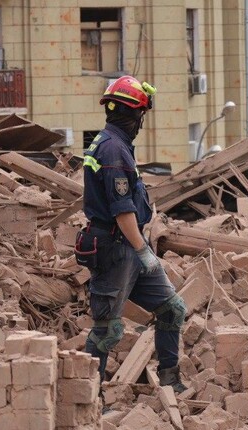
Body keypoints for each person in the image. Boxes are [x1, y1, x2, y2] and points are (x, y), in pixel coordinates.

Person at [81, 76, 186, 393]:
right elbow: (122, 210)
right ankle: (87, 397)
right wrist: (144, 252)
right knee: (108, 330)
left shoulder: (115, 145)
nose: (142, 123)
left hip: (129, 246)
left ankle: (170, 380)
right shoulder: (113, 150)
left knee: (171, 309)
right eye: (141, 115)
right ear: (134, 115)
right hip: (116, 249)